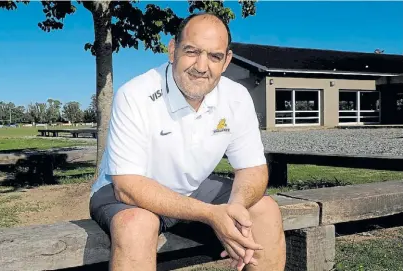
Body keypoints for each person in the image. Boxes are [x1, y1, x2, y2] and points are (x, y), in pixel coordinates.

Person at [89, 12, 286, 271]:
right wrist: (211, 214)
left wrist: (234, 207)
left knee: (265, 210)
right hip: (122, 190)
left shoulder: (237, 97)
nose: (201, 67)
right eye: (192, 51)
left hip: (191, 189)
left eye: (214, 56)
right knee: (136, 225)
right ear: (173, 50)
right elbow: (128, 186)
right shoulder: (134, 95)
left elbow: (253, 169)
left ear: (226, 61)